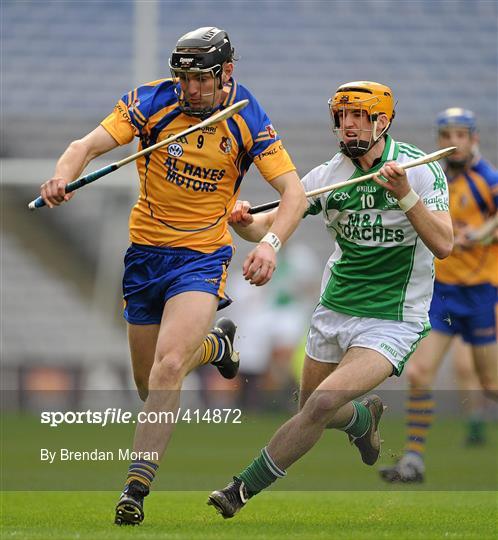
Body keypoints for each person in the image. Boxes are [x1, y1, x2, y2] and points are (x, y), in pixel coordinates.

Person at [38, 26, 307, 525]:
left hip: (202, 258)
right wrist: (62, 175)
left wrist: (270, 243)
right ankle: (216, 348)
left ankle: (136, 488)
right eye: (183, 78)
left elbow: (294, 193)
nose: (190, 89)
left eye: (201, 79)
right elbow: (85, 146)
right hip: (145, 256)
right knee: (150, 384)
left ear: (227, 73)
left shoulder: (248, 116)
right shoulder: (152, 102)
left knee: (167, 368)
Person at [207, 81, 453, 518]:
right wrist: (242, 222)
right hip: (335, 308)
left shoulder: (419, 169)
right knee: (312, 408)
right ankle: (362, 420)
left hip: (394, 317)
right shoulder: (327, 176)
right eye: (342, 117)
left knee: (321, 402)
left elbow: (444, 244)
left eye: (358, 116)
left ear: (382, 121)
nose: (348, 125)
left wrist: (405, 196)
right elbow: (271, 223)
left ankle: (240, 489)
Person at [379, 108, 498, 483]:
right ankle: (413, 459)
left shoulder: (486, 178)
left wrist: (483, 233)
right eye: (446, 136)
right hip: (442, 293)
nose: (453, 143)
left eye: (461, 135)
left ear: (473, 139)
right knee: (418, 372)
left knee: (490, 385)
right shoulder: (433, 177)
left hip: (482, 294)